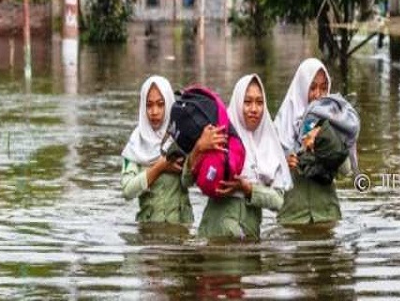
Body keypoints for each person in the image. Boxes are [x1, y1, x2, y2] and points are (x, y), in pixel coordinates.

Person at [183, 74, 293, 240]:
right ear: (237, 103)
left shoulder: (269, 145)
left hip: (249, 240)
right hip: (215, 238)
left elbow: (279, 202)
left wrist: (247, 188)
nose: (254, 109)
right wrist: (198, 149)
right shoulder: (218, 134)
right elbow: (186, 181)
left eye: (259, 102)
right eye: (247, 102)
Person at [274, 58, 346, 225]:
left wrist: (325, 136)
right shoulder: (280, 126)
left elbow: (345, 169)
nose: (318, 95)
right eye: (312, 87)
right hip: (292, 218)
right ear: (301, 88)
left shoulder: (335, 121)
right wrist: (285, 162)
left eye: (323, 88)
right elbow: (267, 176)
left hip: (327, 215)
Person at [121, 75, 193, 224]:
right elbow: (127, 191)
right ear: (143, 107)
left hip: (181, 232)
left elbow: (191, 181)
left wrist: (196, 153)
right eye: (149, 105)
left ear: (169, 105)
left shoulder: (181, 138)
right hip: (148, 234)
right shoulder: (135, 145)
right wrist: (159, 167)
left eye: (160, 104)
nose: (154, 111)